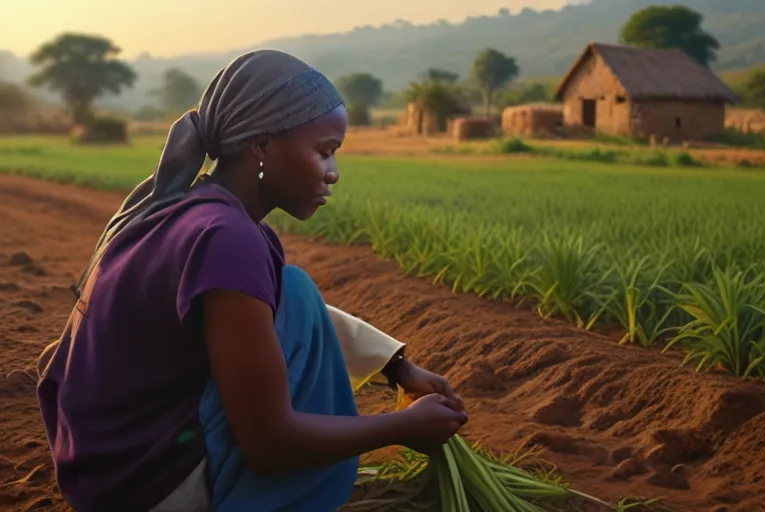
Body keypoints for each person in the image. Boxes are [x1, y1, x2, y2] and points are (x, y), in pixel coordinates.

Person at [35, 50, 468, 512]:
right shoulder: (227, 239)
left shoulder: (196, 211)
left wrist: (396, 368)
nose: (333, 173)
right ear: (261, 146)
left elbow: (263, 310)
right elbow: (270, 444)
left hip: (101, 470)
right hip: (148, 488)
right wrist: (403, 427)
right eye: (324, 151)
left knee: (295, 292)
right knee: (296, 294)